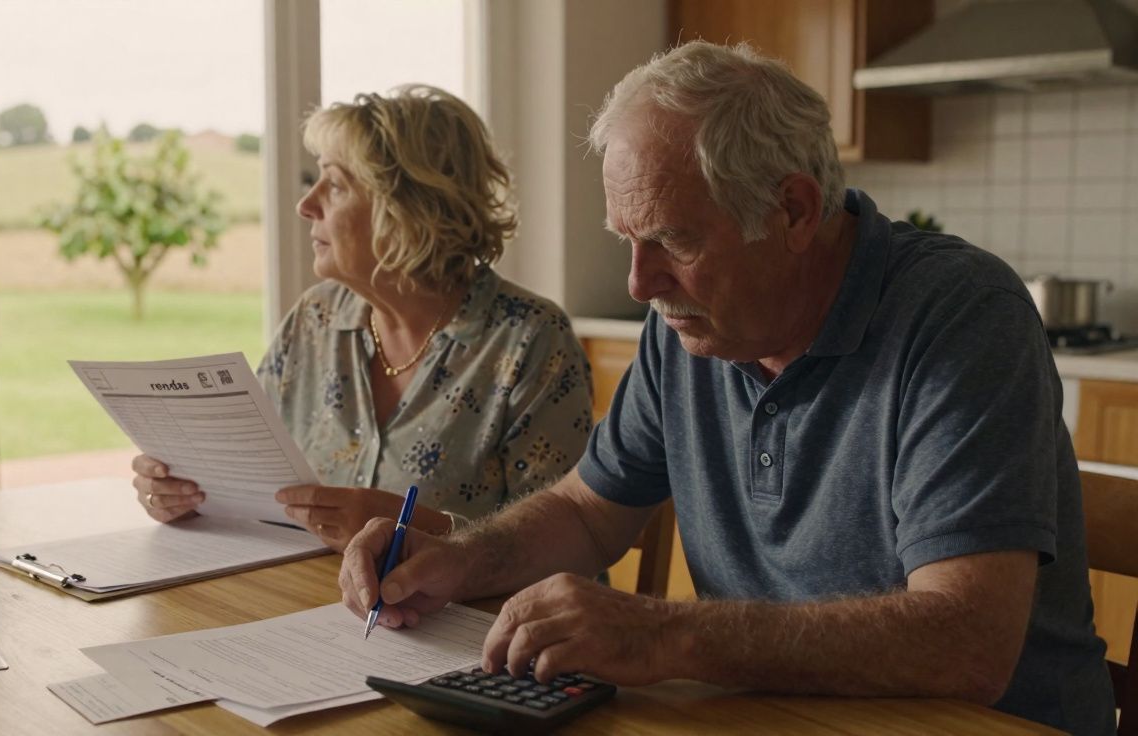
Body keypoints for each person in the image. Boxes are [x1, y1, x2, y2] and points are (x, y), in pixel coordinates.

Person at [338, 42, 1113, 735]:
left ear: (794, 211)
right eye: (628, 242)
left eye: (674, 240)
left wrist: (663, 634)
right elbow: (585, 512)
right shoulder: (691, 327)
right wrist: (455, 557)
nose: (640, 284)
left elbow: (965, 641)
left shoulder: (961, 317)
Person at [131, 85, 594, 552]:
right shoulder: (314, 319)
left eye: (334, 184)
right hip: (304, 607)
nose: (305, 204)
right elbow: (246, 477)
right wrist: (188, 493)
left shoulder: (531, 342)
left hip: (468, 622)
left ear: (412, 208)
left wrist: (419, 530)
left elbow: (563, 546)